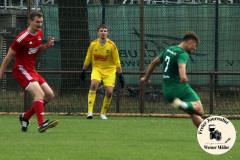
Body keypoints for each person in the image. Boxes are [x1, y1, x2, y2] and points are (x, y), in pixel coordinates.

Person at [0, 11, 59, 133]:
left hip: (31, 70)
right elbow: (8, 57)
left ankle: (25, 117)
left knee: (49, 94)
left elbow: (36, 50)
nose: (40, 24)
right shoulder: (21, 38)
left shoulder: (39, 33)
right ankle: (41, 124)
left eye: (41, 22)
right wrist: (1, 72)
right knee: (39, 93)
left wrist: (46, 46)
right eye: (37, 22)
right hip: (21, 70)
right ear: (30, 21)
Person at [141, 31, 204, 128]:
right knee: (199, 110)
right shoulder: (183, 53)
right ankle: (182, 104)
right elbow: (181, 66)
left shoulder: (169, 50)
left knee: (193, 113)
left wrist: (146, 78)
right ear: (190, 42)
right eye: (195, 45)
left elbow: (153, 62)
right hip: (179, 88)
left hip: (168, 92)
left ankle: (209, 133)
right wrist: (183, 76)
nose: (195, 48)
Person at [80, 24, 125, 120]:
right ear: (98, 33)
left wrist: (120, 75)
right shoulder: (93, 44)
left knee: (109, 92)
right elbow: (88, 58)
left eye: (105, 31)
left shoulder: (112, 45)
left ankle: (103, 113)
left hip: (110, 70)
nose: (103, 32)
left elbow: (117, 61)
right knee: (94, 85)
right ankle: (90, 112)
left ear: (107, 33)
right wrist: (83, 70)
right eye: (101, 31)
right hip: (97, 69)